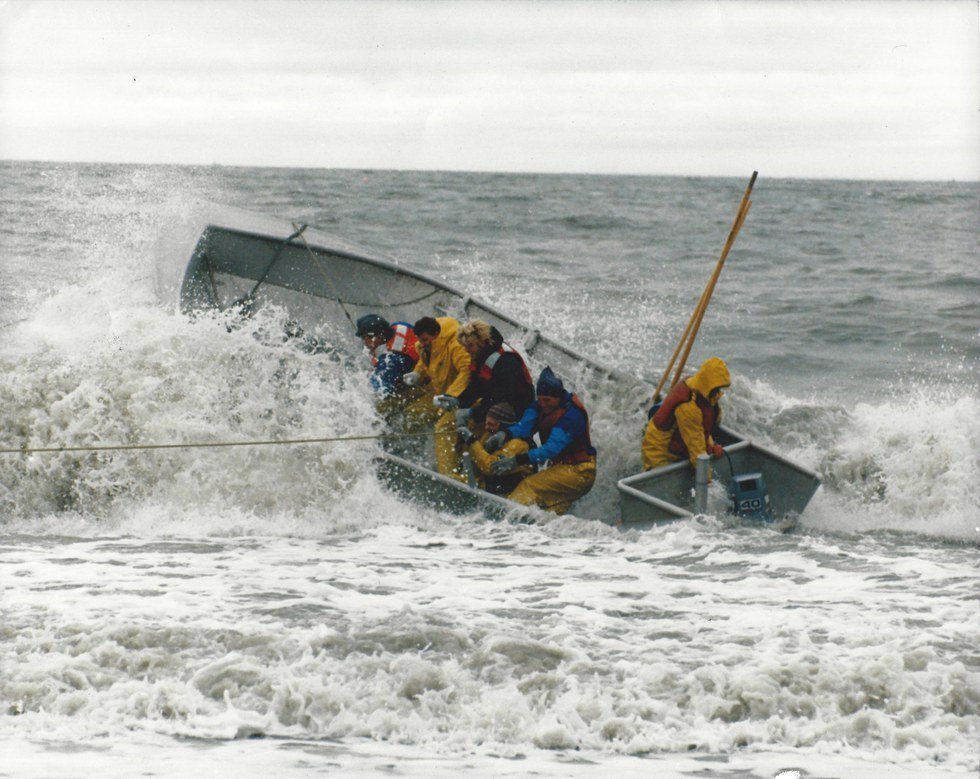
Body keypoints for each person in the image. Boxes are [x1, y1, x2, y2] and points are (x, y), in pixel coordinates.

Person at [486, 367, 597, 514]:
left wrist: (517, 460)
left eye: (547, 400)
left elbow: (551, 449)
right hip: (564, 468)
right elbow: (524, 427)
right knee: (547, 512)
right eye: (540, 399)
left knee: (529, 485)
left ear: (558, 397)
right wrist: (504, 434)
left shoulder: (571, 416)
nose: (543, 404)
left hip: (579, 472)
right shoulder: (538, 406)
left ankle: (505, 515)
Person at [400, 316, 472, 480]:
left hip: (462, 398)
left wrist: (451, 395)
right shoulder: (424, 345)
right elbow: (426, 361)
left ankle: (449, 476)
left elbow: (467, 371)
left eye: (425, 339)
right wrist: (417, 373)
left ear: (436, 334)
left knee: (442, 428)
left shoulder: (456, 345)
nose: (421, 343)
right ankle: (412, 455)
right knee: (412, 414)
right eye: (420, 339)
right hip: (439, 395)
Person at [641, 356, 730, 471]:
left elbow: (701, 429)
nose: (718, 393)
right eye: (716, 389)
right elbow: (697, 453)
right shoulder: (688, 407)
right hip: (658, 451)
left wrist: (712, 446)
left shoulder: (700, 390)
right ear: (709, 385)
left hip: (678, 446)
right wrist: (708, 480)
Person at [453, 320, 535, 439]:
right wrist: (458, 401)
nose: (466, 350)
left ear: (482, 341)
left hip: (513, 411)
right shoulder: (481, 354)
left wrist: (472, 413)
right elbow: (477, 385)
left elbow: (503, 400)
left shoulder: (506, 362)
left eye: (470, 346)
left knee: (481, 440)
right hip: (494, 403)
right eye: (464, 346)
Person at [465, 402, 533, 495]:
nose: (486, 427)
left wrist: (472, 441)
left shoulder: (517, 444)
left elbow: (490, 467)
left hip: (513, 492)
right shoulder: (489, 435)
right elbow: (478, 462)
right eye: (486, 423)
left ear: (503, 426)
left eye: (490, 424)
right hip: (492, 488)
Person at [354, 313, 419, 401]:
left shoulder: (395, 353)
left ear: (377, 336)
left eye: (364, 338)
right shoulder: (396, 327)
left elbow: (384, 384)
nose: (364, 342)